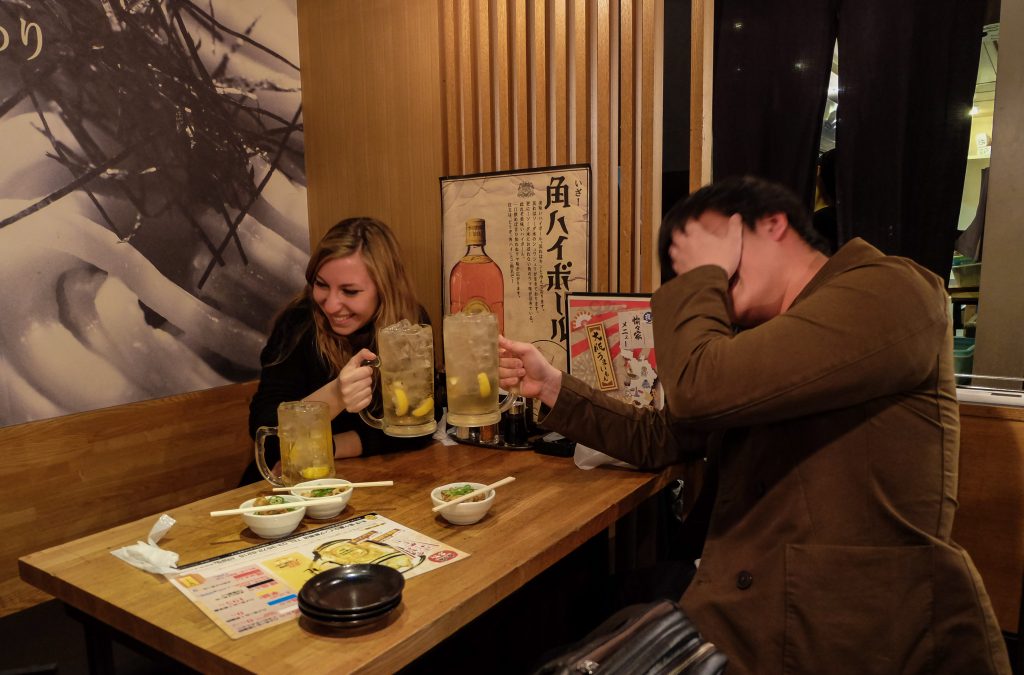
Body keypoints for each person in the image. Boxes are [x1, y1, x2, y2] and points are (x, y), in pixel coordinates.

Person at [499, 176, 1010, 674]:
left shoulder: (889, 290)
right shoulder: (762, 343)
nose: (704, 272)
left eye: (713, 246)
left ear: (773, 225)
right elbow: (663, 435)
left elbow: (698, 389)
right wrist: (551, 386)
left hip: (855, 634)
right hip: (754, 607)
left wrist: (701, 277)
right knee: (555, 620)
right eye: (686, 265)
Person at [242, 217, 435, 485]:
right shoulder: (300, 323)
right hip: (285, 488)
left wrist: (328, 446)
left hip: (369, 483)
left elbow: (418, 427)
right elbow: (270, 438)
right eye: (321, 285)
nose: (331, 305)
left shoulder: (409, 325)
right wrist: (334, 395)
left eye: (350, 291)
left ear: (385, 289)